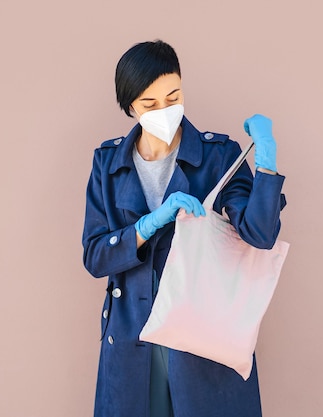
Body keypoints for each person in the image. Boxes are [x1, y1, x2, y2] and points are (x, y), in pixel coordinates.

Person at [82, 40, 286, 417]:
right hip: (132, 335)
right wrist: (149, 223)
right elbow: (95, 257)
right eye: (150, 104)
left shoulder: (219, 156)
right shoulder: (106, 164)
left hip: (201, 334)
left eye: (173, 96)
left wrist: (267, 161)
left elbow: (260, 235)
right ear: (130, 107)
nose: (165, 110)